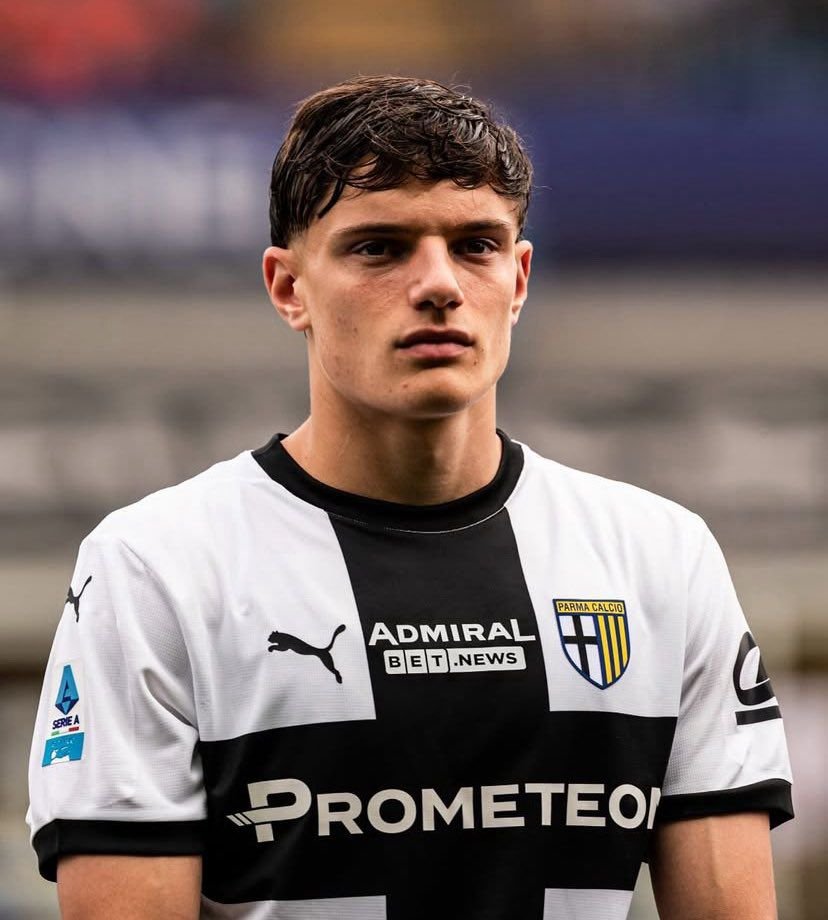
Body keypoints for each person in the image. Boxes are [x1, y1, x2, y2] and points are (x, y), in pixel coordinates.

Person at [28, 76, 792, 920]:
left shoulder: (659, 557)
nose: (438, 284)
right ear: (289, 288)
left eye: (476, 245)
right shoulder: (156, 567)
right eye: (379, 248)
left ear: (520, 278)